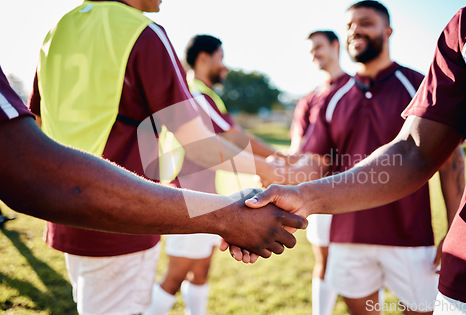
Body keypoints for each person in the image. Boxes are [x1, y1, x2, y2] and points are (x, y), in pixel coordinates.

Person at [27, 0, 288, 314]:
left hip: (66, 212)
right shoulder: (143, 32)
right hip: (120, 214)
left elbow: (37, 126)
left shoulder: (58, 29)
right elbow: (201, 145)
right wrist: (266, 169)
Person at [241, 0, 466, 313]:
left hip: (410, 237)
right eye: (349, 25)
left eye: (365, 22)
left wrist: (452, 228)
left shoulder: (417, 82)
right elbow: (315, 162)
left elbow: (451, 162)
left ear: (387, 31)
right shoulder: (332, 98)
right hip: (347, 236)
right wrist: (274, 173)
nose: (355, 31)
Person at [145, 34, 278, 315]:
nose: (225, 66)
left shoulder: (206, 94)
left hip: (207, 198)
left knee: (201, 272)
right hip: (188, 198)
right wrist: (280, 160)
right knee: (175, 276)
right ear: (204, 58)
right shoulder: (195, 93)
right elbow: (234, 137)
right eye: (221, 58)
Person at [288, 29, 350, 315]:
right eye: (310, 49)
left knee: (359, 265)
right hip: (320, 194)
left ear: (336, 46)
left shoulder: (358, 89)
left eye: (319, 47)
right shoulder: (308, 100)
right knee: (324, 261)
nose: (314, 53)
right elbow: (296, 150)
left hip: (359, 191)